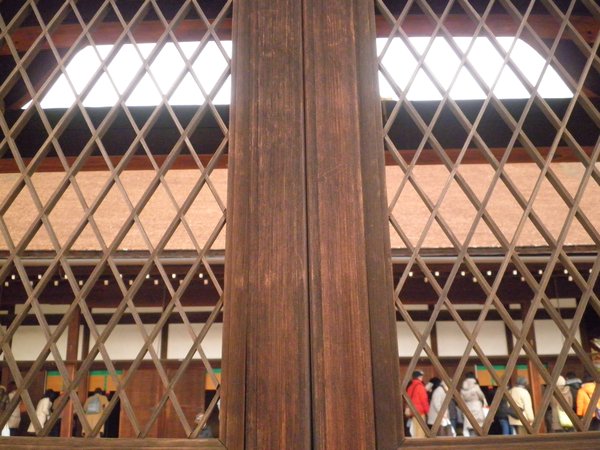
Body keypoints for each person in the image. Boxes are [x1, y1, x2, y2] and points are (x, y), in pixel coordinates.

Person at [406, 370, 429, 438]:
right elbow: (424, 400)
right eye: (421, 376)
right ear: (419, 377)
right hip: (420, 413)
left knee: (415, 431)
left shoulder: (410, 387)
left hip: (413, 412)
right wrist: (427, 411)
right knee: (421, 432)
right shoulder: (420, 387)